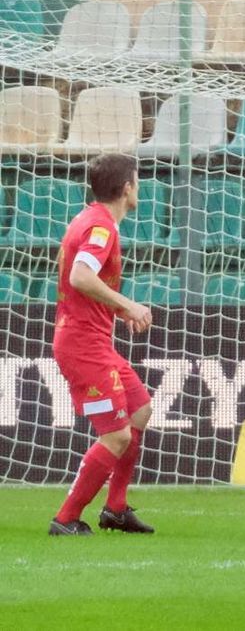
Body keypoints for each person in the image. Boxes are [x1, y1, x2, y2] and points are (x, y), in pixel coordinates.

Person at [48, 153, 155, 536]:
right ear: (127, 188)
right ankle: (66, 518)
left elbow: (82, 280)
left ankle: (115, 509)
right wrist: (127, 304)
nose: (138, 187)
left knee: (140, 410)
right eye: (137, 181)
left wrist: (116, 311)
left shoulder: (89, 218)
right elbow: (80, 276)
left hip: (93, 339)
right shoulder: (101, 227)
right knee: (116, 435)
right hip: (82, 345)